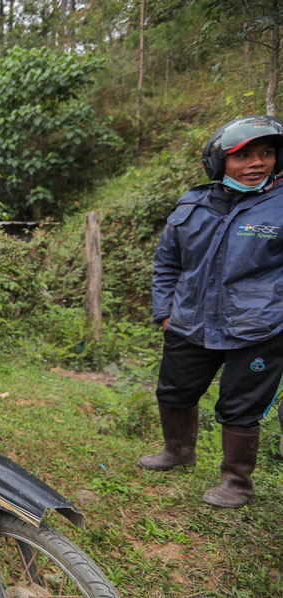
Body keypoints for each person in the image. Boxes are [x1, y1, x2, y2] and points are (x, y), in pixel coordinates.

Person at [141, 115, 283, 508]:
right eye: (244, 156)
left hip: (259, 328)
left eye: (267, 154)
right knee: (174, 390)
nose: (257, 163)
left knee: (240, 405)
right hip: (190, 321)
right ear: (220, 163)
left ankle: (236, 482)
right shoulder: (193, 204)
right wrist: (165, 311)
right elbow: (167, 262)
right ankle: (178, 451)